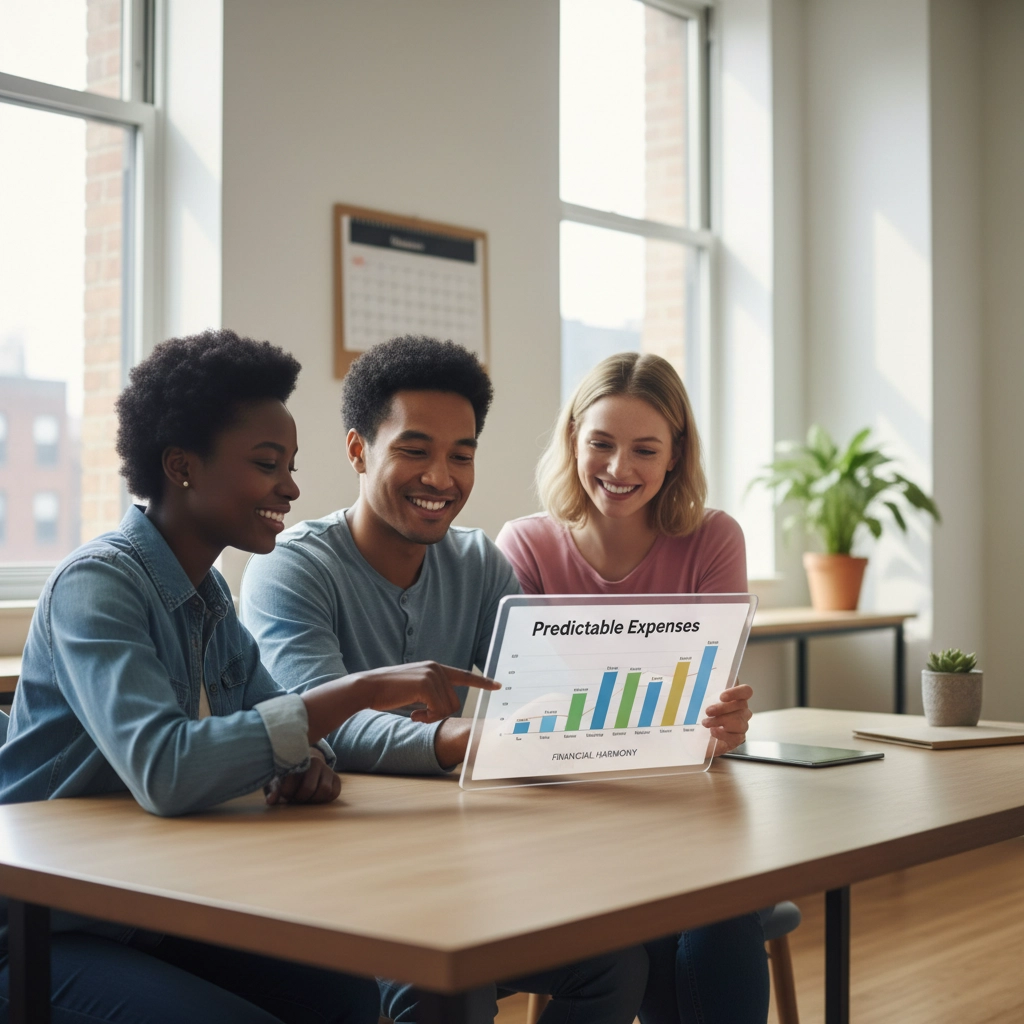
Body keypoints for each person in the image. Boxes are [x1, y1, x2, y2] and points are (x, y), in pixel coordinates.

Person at [0, 329, 495, 1024]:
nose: (291, 487)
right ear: (182, 467)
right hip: (46, 924)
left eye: (290, 464)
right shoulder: (98, 585)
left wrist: (306, 763)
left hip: (145, 905)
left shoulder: (208, 597)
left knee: (352, 997)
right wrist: (358, 691)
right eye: (268, 464)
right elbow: (167, 769)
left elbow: (296, 733)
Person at [240, 335, 653, 1024]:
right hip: (334, 876)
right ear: (357, 451)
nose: (442, 476)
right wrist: (463, 737)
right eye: (414, 450)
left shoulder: (480, 563)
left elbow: (536, 693)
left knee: (615, 964)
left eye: (462, 455)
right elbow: (317, 721)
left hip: (455, 860)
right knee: (444, 986)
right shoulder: (292, 568)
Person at [495, 351, 769, 1024]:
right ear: (573, 441)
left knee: (718, 921)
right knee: (646, 932)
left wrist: (721, 724)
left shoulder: (713, 538)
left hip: (688, 816)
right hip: (568, 819)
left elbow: (702, 709)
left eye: (645, 449)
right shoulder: (525, 545)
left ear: (675, 455)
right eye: (601, 444)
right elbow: (525, 710)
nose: (619, 470)